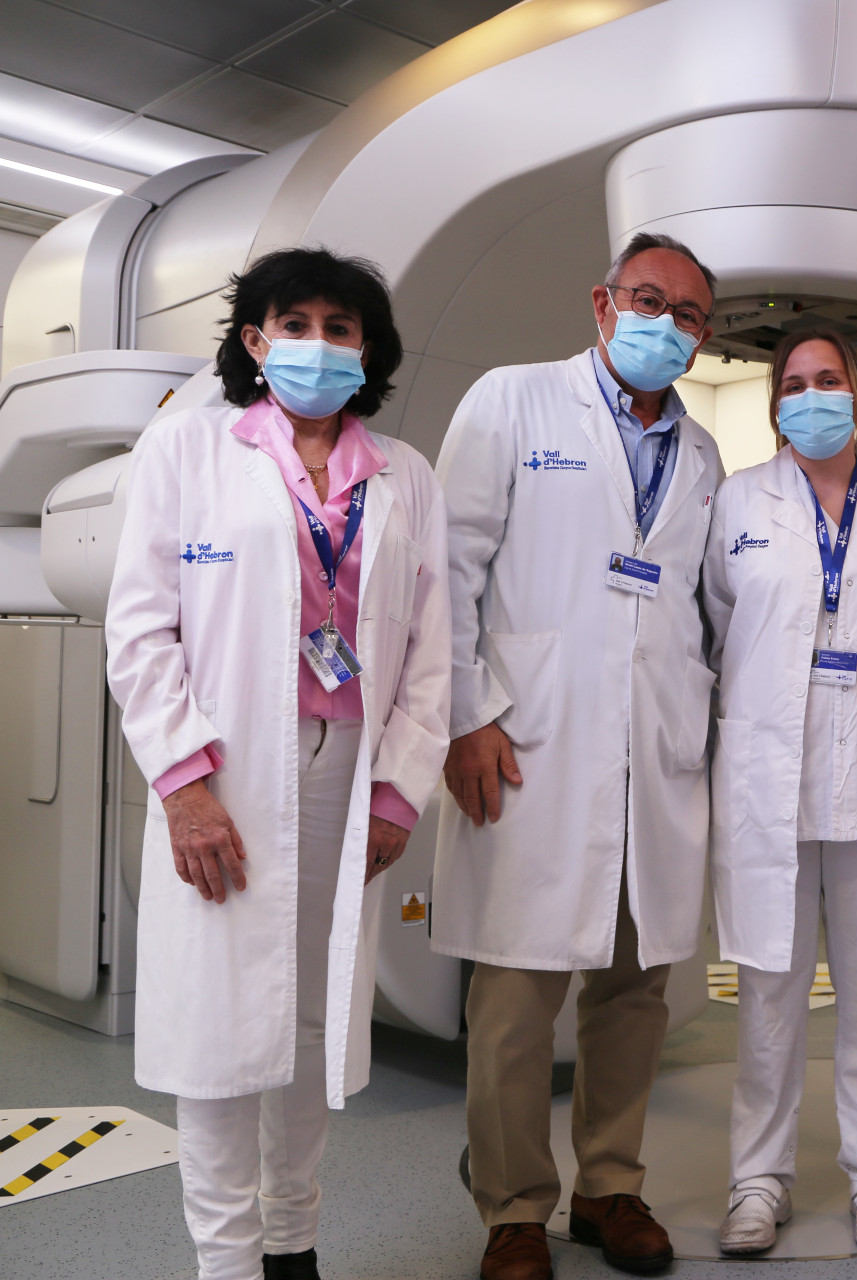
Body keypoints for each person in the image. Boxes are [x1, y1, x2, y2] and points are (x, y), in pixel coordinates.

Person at [105, 248, 450, 1280]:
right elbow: (140, 628)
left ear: (367, 350)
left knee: (314, 1013)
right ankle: (227, 1260)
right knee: (221, 1024)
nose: (317, 343)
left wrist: (398, 791)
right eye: (294, 323)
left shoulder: (404, 475)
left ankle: (293, 1242)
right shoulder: (188, 448)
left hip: (349, 769)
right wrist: (184, 783)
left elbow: (434, 649)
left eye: (340, 328)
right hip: (227, 770)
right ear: (255, 341)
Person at [431, 232, 725, 1280]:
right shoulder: (513, 401)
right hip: (529, 741)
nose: (665, 325)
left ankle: (610, 1185)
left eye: (687, 315)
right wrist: (464, 714)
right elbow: (447, 569)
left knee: (635, 992)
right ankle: (514, 1207)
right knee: (515, 996)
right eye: (648, 301)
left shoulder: (701, 453)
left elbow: (693, 608)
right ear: (603, 304)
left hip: (655, 751)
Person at [701, 330, 857, 1256]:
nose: (812, 397)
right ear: (775, 406)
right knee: (769, 997)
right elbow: (717, 623)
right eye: (794, 385)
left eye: (828, 380)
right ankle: (757, 1181)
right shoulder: (740, 501)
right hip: (773, 778)